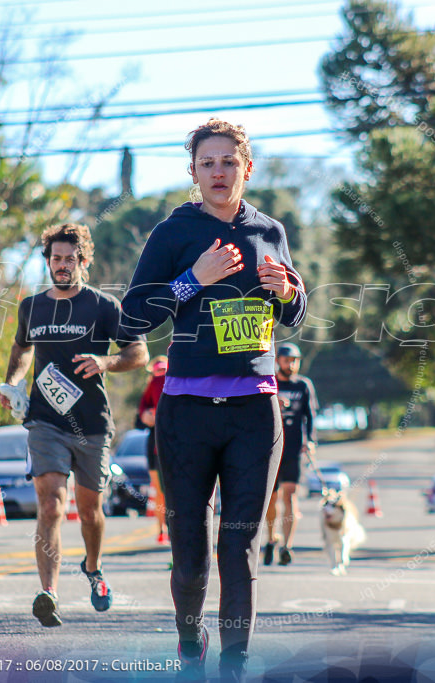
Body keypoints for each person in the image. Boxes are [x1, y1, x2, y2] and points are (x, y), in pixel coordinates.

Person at [122, 119, 308, 682]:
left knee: (240, 546)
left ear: (246, 168)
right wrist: (191, 280)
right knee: (192, 551)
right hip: (186, 414)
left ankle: (234, 665)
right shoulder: (173, 232)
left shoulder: (270, 231)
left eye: (229, 161)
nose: (219, 172)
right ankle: (188, 644)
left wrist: (290, 292)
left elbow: (293, 316)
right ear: (194, 173)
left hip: (255, 410)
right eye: (208, 163)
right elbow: (132, 317)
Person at [1, 223, 148, 627]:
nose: (61, 266)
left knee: (90, 511)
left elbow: (138, 353)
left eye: (69, 259)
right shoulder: (31, 306)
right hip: (45, 421)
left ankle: (93, 567)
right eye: (55, 259)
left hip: (92, 424)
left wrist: (105, 362)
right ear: (47, 261)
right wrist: (13, 382)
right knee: (50, 504)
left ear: (83, 261)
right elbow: (21, 346)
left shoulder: (102, 306)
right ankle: (48, 593)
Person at [263, 342, 317, 567]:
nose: (291, 364)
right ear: (278, 362)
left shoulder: (304, 385)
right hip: (271, 446)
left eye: (295, 360)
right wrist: (275, 402)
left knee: (290, 496)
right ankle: (270, 539)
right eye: (287, 360)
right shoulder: (269, 383)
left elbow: (310, 415)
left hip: (294, 448)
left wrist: (311, 441)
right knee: (272, 497)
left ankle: (287, 545)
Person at [138, 355, 169, 545]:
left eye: (163, 371)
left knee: (169, 489)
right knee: (158, 490)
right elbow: (140, 417)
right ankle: (161, 528)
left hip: (172, 442)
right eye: (157, 372)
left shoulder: (174, 384)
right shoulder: (150, 389)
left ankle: (170, 526)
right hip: (154, 444)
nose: (160, 376)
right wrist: (147, 416)